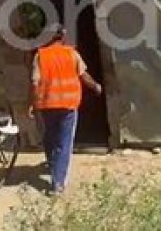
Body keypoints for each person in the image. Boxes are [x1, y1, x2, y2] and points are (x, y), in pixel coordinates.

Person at [29, 27, 102, 195]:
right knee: (64, 143)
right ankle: (58, 183)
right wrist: (96, 86)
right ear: (62, 37)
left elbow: (34, 82)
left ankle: (52, 163)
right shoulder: (72, 54)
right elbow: (84, 76)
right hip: (68, 105)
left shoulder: (41, 56)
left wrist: (32, 104)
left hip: (47, 105)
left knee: (49, 137)